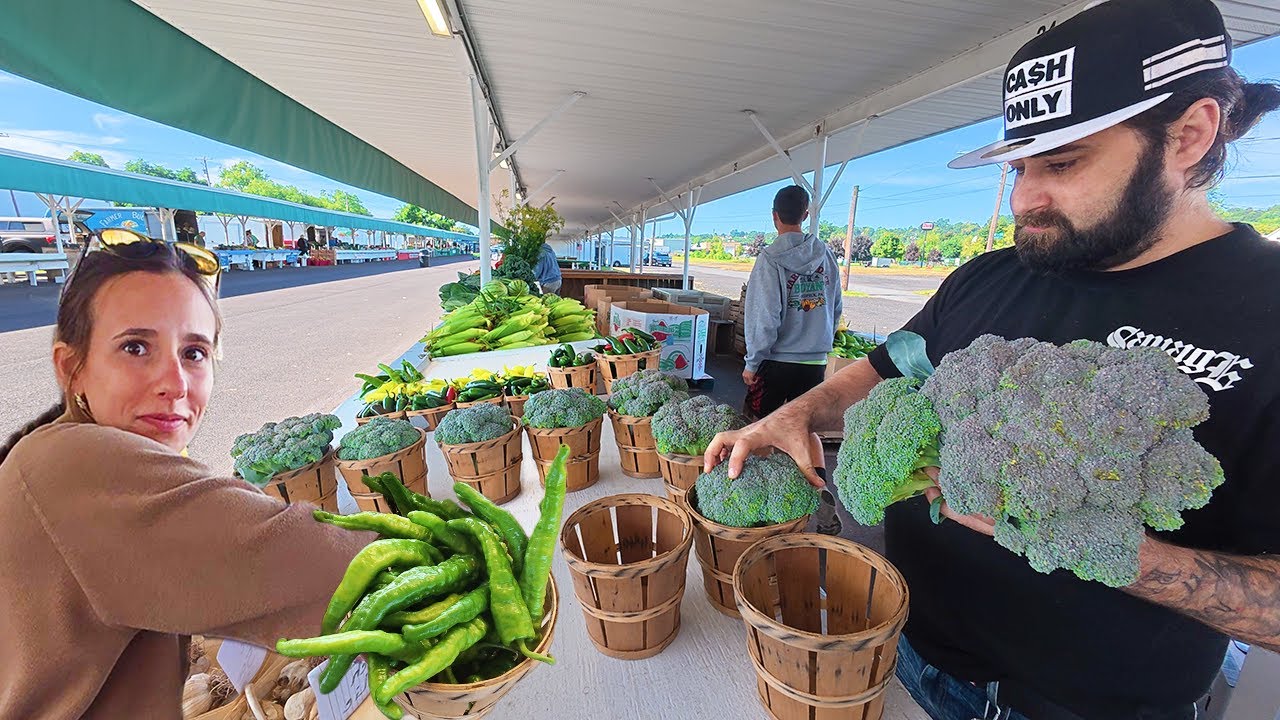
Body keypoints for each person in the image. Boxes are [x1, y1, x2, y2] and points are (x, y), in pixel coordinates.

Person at [707, 1, 1280, 718]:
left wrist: (1113, 550)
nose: (1025, 199)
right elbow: (880, 369)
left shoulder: (1268, 312)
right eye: (1017, 167)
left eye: (1062, 163)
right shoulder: (986, 276)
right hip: (911, 660)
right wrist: (797, 413)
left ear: (1191, 135)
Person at [0, 230, 369, 717]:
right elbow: (310, 560)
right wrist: (457, 548)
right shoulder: (74, 464)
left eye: (193, 353)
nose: (174, 384)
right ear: (73, 368)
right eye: (135, 347)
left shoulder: (46, 452)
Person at [742, 185, 842, 420]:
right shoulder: (826, 255)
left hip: (776, 362)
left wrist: (752, 362)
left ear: (774, 215)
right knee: (803, 432)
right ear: (805, 215)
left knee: (759, 432)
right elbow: (835, 308)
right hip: (815, 363)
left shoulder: (769, 259)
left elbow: (765, 316)